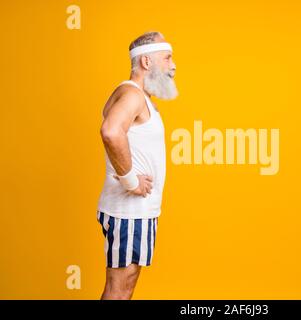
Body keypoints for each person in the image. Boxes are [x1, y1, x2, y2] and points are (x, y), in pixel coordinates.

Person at [96, 31, 178, 300]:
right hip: (129, 211)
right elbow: (110, 131)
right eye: (167, 58)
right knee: (120, 290)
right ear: (146, 62)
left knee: (125, 286)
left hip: (135, 212)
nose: (173, 66)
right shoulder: (133, 95)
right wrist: (131, 181)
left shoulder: (135, 95)